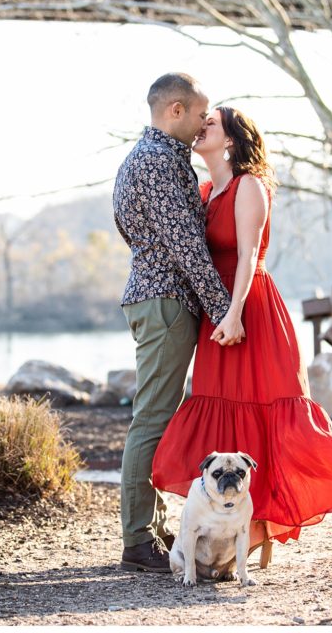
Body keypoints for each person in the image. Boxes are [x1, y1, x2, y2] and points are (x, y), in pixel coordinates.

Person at [152, 106, 332, 563]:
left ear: (232, 140)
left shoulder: (249, 185)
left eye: (210, 123)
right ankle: (229, 527)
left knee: (263, 411)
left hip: (249, 310)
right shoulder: (204, 190)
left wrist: (233, 315)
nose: (200, 127)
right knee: (222, 414)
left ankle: (259, 530)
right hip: (216, 315)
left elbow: (250, 253)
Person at [112, 73, 235, 573]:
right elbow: (186, 247)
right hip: (164, 302)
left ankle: (150, 530)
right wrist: (224, 308)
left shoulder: (144, 159)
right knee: (152, 418)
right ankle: (137, 541)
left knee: (157, 415)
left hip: (153, 298)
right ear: (176, 110)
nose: (207, 122)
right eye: (202, 114)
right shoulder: (159, 162)